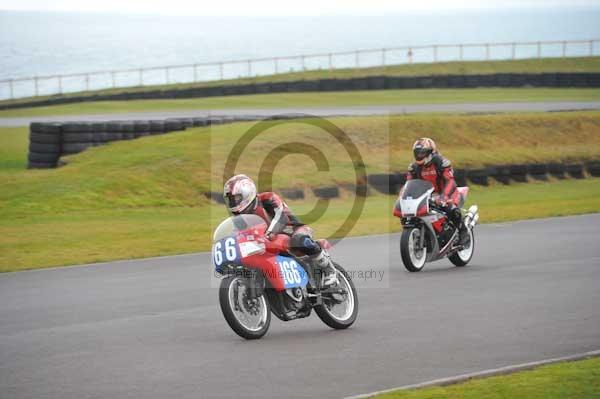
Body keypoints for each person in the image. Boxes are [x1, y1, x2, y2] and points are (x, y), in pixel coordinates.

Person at [223, 174, 338, 287]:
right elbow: (239, 235)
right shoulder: (239, 218)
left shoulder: (267, 198)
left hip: (292, 229)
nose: (233, 203)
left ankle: (327, 268)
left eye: (236, 198)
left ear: (247, 192)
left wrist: (269, 234)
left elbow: (281, 217)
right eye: (230, 200)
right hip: (269, 241)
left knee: (299, 240)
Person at [406, 138, 469, 244]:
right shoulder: (414, 167)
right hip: (427, 197)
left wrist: (444, 197)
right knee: (409, 215)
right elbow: (408, 185)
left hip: (447, 193)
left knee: (451, 209)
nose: (419, 156)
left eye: (422, 153)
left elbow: (450, 181)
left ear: (430, 152)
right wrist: (404, 197)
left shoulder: (441, 162)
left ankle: (463, 232)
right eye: (417, 153)